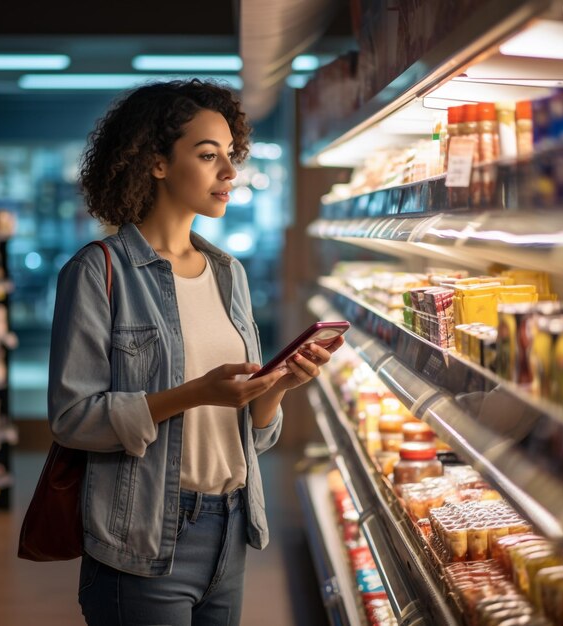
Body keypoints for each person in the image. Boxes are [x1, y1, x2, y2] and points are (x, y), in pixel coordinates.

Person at [48, 79, 344, 626]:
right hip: (142, 539)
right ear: (156, 162)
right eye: (209, 156)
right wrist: (193, 394)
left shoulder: (228, 273)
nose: (229, 173)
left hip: (230, 528)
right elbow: (73, 419)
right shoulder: (98, 271)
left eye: (231, 156)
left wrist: (275, 387)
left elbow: (252, 432)